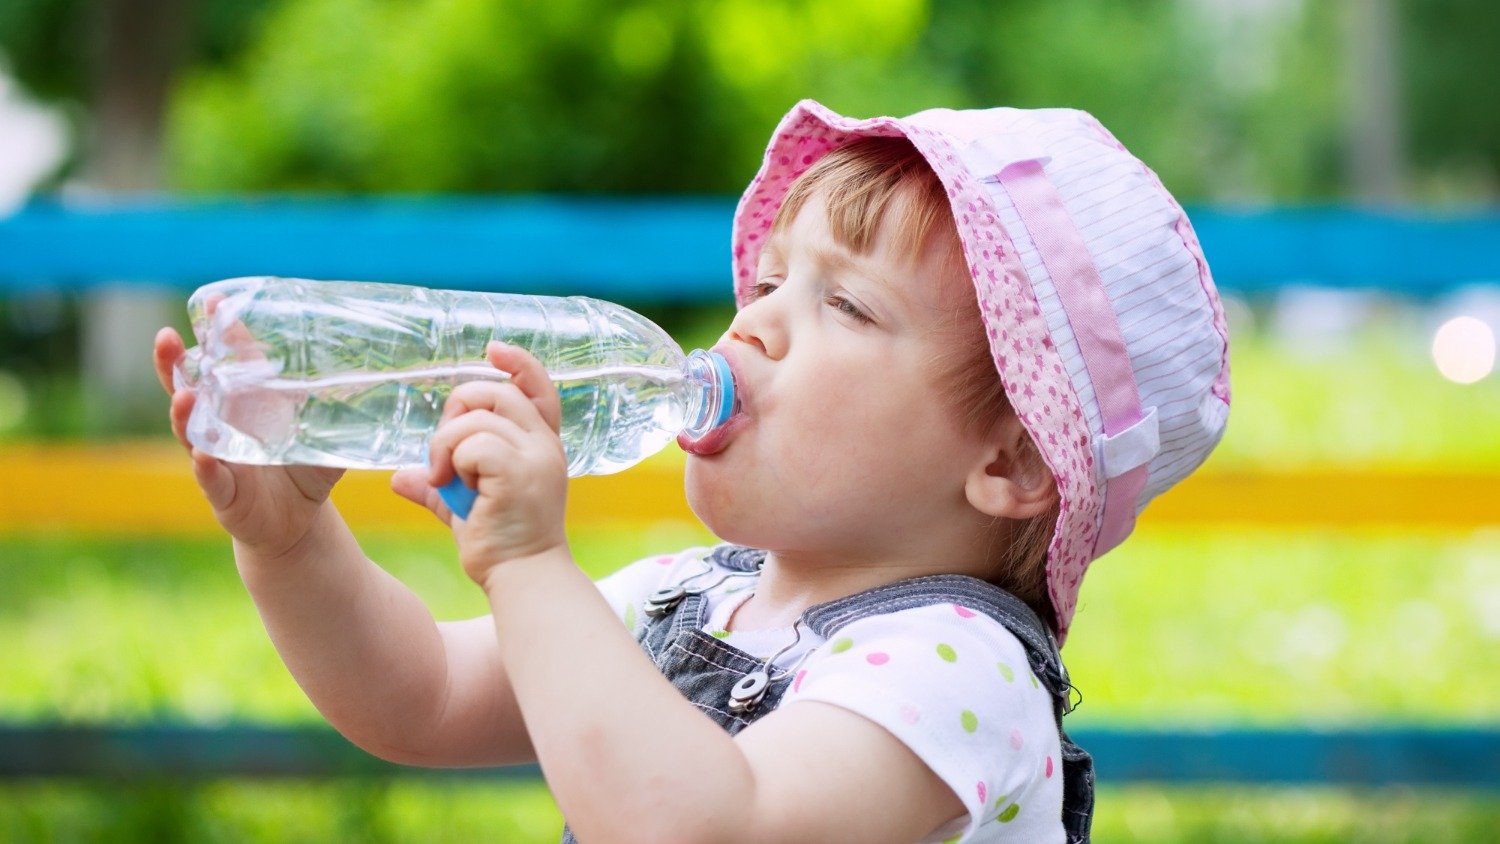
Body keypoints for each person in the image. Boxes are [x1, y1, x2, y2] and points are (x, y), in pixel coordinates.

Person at [152, 100, 1230, 843]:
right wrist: (288, 541)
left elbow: (706, 825)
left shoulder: (960, 668)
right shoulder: (693, 594)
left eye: (844, 304)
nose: (753, 323)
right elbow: (420, 697)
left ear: (1006, 459)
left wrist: (531, 564)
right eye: (766, 282)